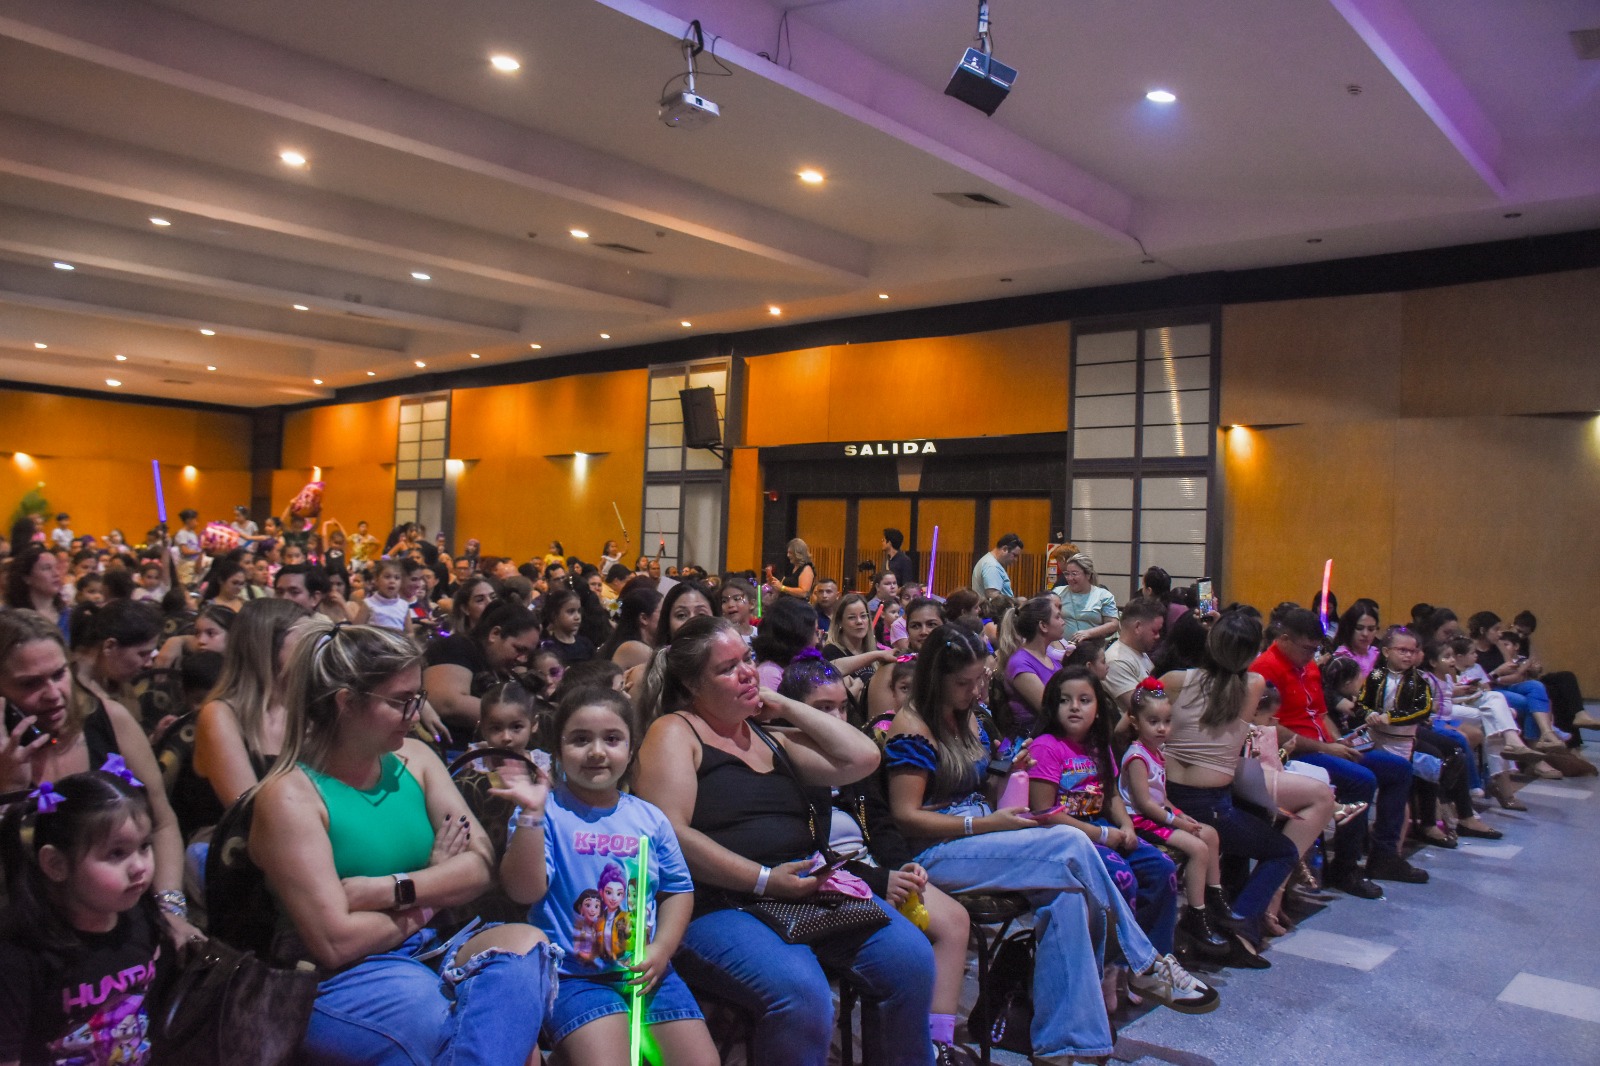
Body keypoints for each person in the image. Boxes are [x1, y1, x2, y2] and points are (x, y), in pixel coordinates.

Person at [884, 624, 1216, 1063]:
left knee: (1067, 901)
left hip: (982, 836)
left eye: (980, 679)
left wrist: (1005, 773)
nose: (976, 691)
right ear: (936, 679)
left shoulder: (969, 716)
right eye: (964, 683)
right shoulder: (911, 727)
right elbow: (906, 816)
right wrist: (987, 824)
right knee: (1069, 841)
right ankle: (1143, 962)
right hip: (934, 851)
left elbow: (980, 789)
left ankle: (1062, 1048)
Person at [241, 619, 556, 1062]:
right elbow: (336, 941)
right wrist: (433, 893)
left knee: (529, 947)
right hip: (338, 975)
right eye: (401, 700)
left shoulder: (416, 757)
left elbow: (479, 864)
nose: (417, 713)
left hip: (432, 943)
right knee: (464, 1025)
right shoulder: (288, 796)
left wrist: (392, 889)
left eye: (418, 697)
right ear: (346, 703)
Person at [633, 616, 936, 1066]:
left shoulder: (768, 736)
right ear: (692, 684)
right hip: (718, 903)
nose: (747, 673)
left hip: (802, 892)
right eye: (727, 668)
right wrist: (763, 879)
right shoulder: (676, 731)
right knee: (803, 994)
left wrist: (781, 703)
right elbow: (672, 834)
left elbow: (864, 757)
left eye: (748, 659)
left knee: (911, 960)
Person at [496, 686, 717, 1065]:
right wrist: (531, 815)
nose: (597, 751)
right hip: (572, 978)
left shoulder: (649, 818)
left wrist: (662, 949)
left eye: (612, 739)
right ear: (558, 749)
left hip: (647, 975)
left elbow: (678, 890)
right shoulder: (545, 812)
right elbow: (523, 891)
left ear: (631, 750)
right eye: (581, 739)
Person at [778, 657, 975, 1066]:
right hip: (827, 880)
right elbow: (805, 849)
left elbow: (882, 823)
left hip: (874, 867)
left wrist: (901, 866)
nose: (836, 718)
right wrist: (879, 879)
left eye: (841, 707)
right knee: (903, 947)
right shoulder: (785, 759)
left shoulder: (858, 753)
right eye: (822, 709)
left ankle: (938, 1044)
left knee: (955, 921)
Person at [0, 611, 200, 944]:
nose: (53, 693)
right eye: (30, 683)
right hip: (32, 939)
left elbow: (162, 822)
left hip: (125, 922)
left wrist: (170, 909)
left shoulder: (109, 719)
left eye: (59, 674)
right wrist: (10, 792)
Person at [0, 769, 167, 1066]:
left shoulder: (140, 919)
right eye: (117, 853)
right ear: (56, 864)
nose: (140, 867)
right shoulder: (19, 956)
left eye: (144, 846)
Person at [1160, 610, 1298, 954]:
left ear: (1210, 640)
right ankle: (1240, 925)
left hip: (1167, 795)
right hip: (1211, 805)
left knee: (1248, 818)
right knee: (1284, 851)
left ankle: (1218, 915)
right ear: (1252, 653)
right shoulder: (1253, 685)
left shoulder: (1175, 680)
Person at [1254, 607, 1418, 896]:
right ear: (1284, 639)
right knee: (1361, 779)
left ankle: (1384, 855)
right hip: (1293, 753)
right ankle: (1345, 867)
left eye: (1315, 649)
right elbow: (1272, 729)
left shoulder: (1308, 665)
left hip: (1323, 746)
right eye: (1307, 648)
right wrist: (1326, 748)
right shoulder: (1265, 669)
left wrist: (1340, 741)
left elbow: (1320, 714)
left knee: (1399, 769)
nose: (1311, 655)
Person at [1027, 666, 1183, 965]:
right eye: (1064, 700)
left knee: (1162, 869)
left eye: (1084, 700)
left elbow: (1110, 795)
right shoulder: (1046, 746)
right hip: (1065, 836)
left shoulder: (1098, 746)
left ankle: (1155, 960)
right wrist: (1100, 834)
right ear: (1052, 706)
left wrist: (1126, 825)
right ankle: (1115, 965)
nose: (1074, 707)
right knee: (1123, 879)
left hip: (1100, 826)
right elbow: (1044, 812)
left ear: (1098, 708)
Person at [1119, 679, 1231, 956]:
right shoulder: (1137, 756)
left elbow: (1163, 798)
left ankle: (1215, 897)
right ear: (1135, 722)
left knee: (1209, 833)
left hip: (1158, 815)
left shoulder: (1158, 753)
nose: (1161, 728)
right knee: (1198, 847)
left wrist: (1182, 815)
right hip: (1140, 821)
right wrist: (1176, 822)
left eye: (1167, 721)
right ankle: (1196, 914)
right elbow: (1145, 804)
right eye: (1153, 721)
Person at [423, 601, 543, 736]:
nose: (523, 659)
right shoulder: (457, 647)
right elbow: (447, 703)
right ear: (495, 634)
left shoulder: (502, 671)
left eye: (528, 654)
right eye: (519, 649)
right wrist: (522, 719)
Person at [995, 595, 1066, 735]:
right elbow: (1049, 710)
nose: (1063, 622)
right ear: (1043, 626)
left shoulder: (1051, 660)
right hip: (1029, 739)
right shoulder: (1020, 662)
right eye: (1058, 617)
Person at [1103, 597, 1166, 717]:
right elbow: (1144, 710)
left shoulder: (1138, 651)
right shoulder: (1117, 661)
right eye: (1155, 631)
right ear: (1137, 627)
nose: (1158, 636)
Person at [1054, 553, 1119, 643]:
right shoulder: (1057, 593)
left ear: (1088, 575)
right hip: (1062, 647)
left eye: (1074, 574)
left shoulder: (1103, 595)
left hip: (1092, 647)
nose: (1069, 578)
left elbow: (1113, 624)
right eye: (1067, 574)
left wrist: (1089, 633)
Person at [6, 547, 69, 637]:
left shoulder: (69, 616)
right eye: (46, 568)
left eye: (57, 567)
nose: (56, 574)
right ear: (27, 577)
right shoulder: (9, 618)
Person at [601, 587, 664, 674]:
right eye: (663, 612)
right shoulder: (635, 649)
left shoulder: (622, 640)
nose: (667, 616)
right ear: (644, 618)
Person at [540, 587, 595, 666]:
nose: (577, 617)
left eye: (579, 611)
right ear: (554, 615)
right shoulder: (548, 647)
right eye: (571, 612)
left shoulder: (585, 644)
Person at [1332, 601, 1382, 677]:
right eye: (1359, 628)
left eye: (1371, 629)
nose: (1365, 634)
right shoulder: (1342, 658)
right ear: (1349, 628)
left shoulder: (1375, 654)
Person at [970, 533, 1022, 599]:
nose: (1015, 560)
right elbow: (994, 597)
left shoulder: (989, 561)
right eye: (1014, 555)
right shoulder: (992, 566)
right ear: (1005, 549)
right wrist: (1017, 601)